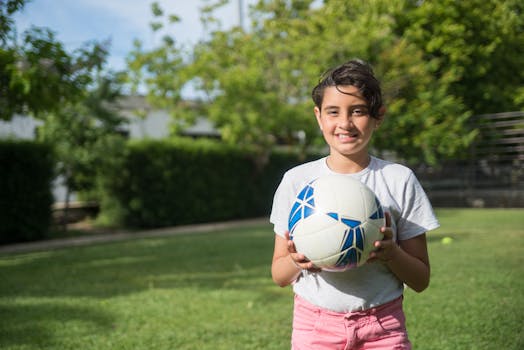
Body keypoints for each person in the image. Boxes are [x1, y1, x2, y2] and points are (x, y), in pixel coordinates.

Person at [270, 59, 440, 349]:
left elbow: (421, 279)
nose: (345, 123)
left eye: (358, 111)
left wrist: (391, 254)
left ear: (378, 116)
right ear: (318, 116)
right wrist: (295, 261)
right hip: (315, 327)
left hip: (383, 327)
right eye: (333, 112)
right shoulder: (297, 182)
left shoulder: (399, 180)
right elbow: (279, 275)